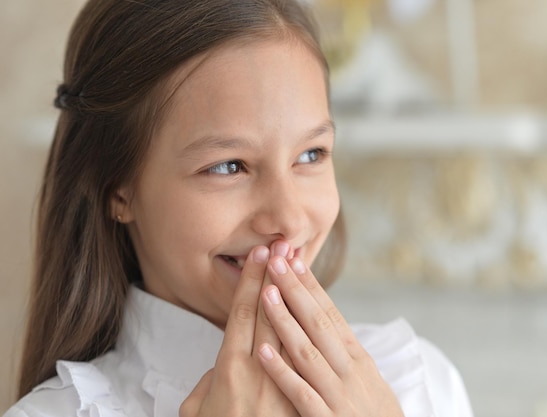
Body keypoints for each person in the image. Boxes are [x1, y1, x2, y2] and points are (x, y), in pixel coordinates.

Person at [4, 1, 473, 416]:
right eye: (229, 166)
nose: (288, 219)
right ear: (118, 189)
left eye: (311, 155)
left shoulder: (420, 383)